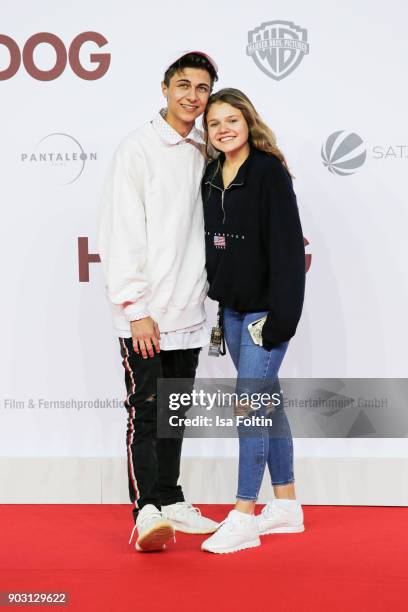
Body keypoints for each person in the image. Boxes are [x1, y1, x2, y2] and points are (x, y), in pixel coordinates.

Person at [98, 51, 219, 552]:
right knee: (146, 412)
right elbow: (121, 232)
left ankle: (171, 499)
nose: (192, 96)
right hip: (145, 316)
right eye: (184, 85)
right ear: (165, 88)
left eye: (202, 88)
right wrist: (135, 308)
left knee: (173, 413)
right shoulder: (138, 148)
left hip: (190, 312)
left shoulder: (207, 149)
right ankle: (145, 511)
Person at [200, 88, 306, 554]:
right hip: (233, 311)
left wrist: (283, 319)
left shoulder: (268, 172)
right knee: (268, 403)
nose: (223, 128)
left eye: (231, 119)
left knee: (250, 407)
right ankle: (286, 506)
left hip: (266, 314)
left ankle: (244, 512)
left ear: (248, 122)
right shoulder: (210, 174)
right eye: (214, 122)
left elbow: (287, 250)